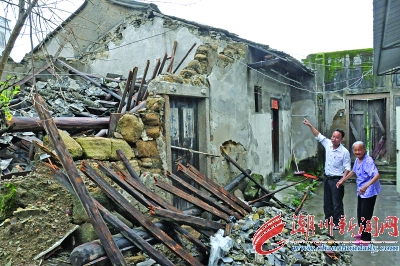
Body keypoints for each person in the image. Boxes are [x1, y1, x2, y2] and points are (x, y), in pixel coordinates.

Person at [303, 118, 351, 228]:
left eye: (336, 137)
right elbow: (318, 135)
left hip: (337, 180)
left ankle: (338, 223)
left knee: (337, 203)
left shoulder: (344, 152)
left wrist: (343, 180)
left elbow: (347, 167)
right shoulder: (328, 144)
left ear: (341, 139)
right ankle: (329, 221)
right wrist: (310, 125)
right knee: (327, 202)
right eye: (333, 136)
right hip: (327, 178)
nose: (334, 139)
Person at [336, 141, 381, 245]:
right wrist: (343, 179)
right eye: (355, 150)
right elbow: (353, 171)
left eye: (359, 150)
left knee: (366, 216)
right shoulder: (357, 160)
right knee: (360, 214)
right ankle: (363, 234)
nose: (357, 152)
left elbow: (376, 175)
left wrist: (366, 186)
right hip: (361, 191)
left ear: (364, 150)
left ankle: (366, 239)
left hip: (369, 191)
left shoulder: (368, 161)